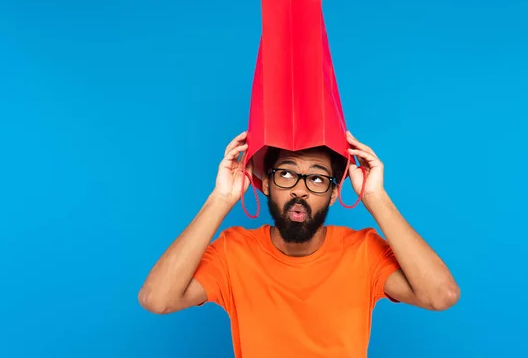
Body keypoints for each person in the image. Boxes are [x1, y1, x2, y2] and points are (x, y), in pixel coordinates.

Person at [138, 130, 460, 357]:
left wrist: (375, 198)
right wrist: (220, 199)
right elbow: (156, 299)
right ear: (266, 183)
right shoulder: (233, 253)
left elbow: (440, 295)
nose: (300, 191)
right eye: (286, 174)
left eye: (317, 178)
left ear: (335, 193)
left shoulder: (363, 253)